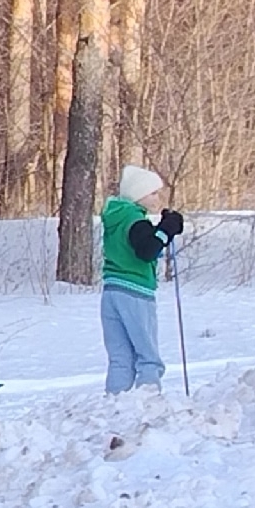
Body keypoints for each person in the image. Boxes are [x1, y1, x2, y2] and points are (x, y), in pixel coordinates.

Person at [101, 165, 183, 394]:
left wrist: (160, 231)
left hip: (112, 289)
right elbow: (146, 250)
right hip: (135, 291)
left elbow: (138, 243)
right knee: (147, 357)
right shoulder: (136, 219)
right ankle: (149, 406)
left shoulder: (117, 217)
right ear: (138, 195)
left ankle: (114, 405)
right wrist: (167, 230)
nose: (158, 198)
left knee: (121, 357)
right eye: (153, 193)